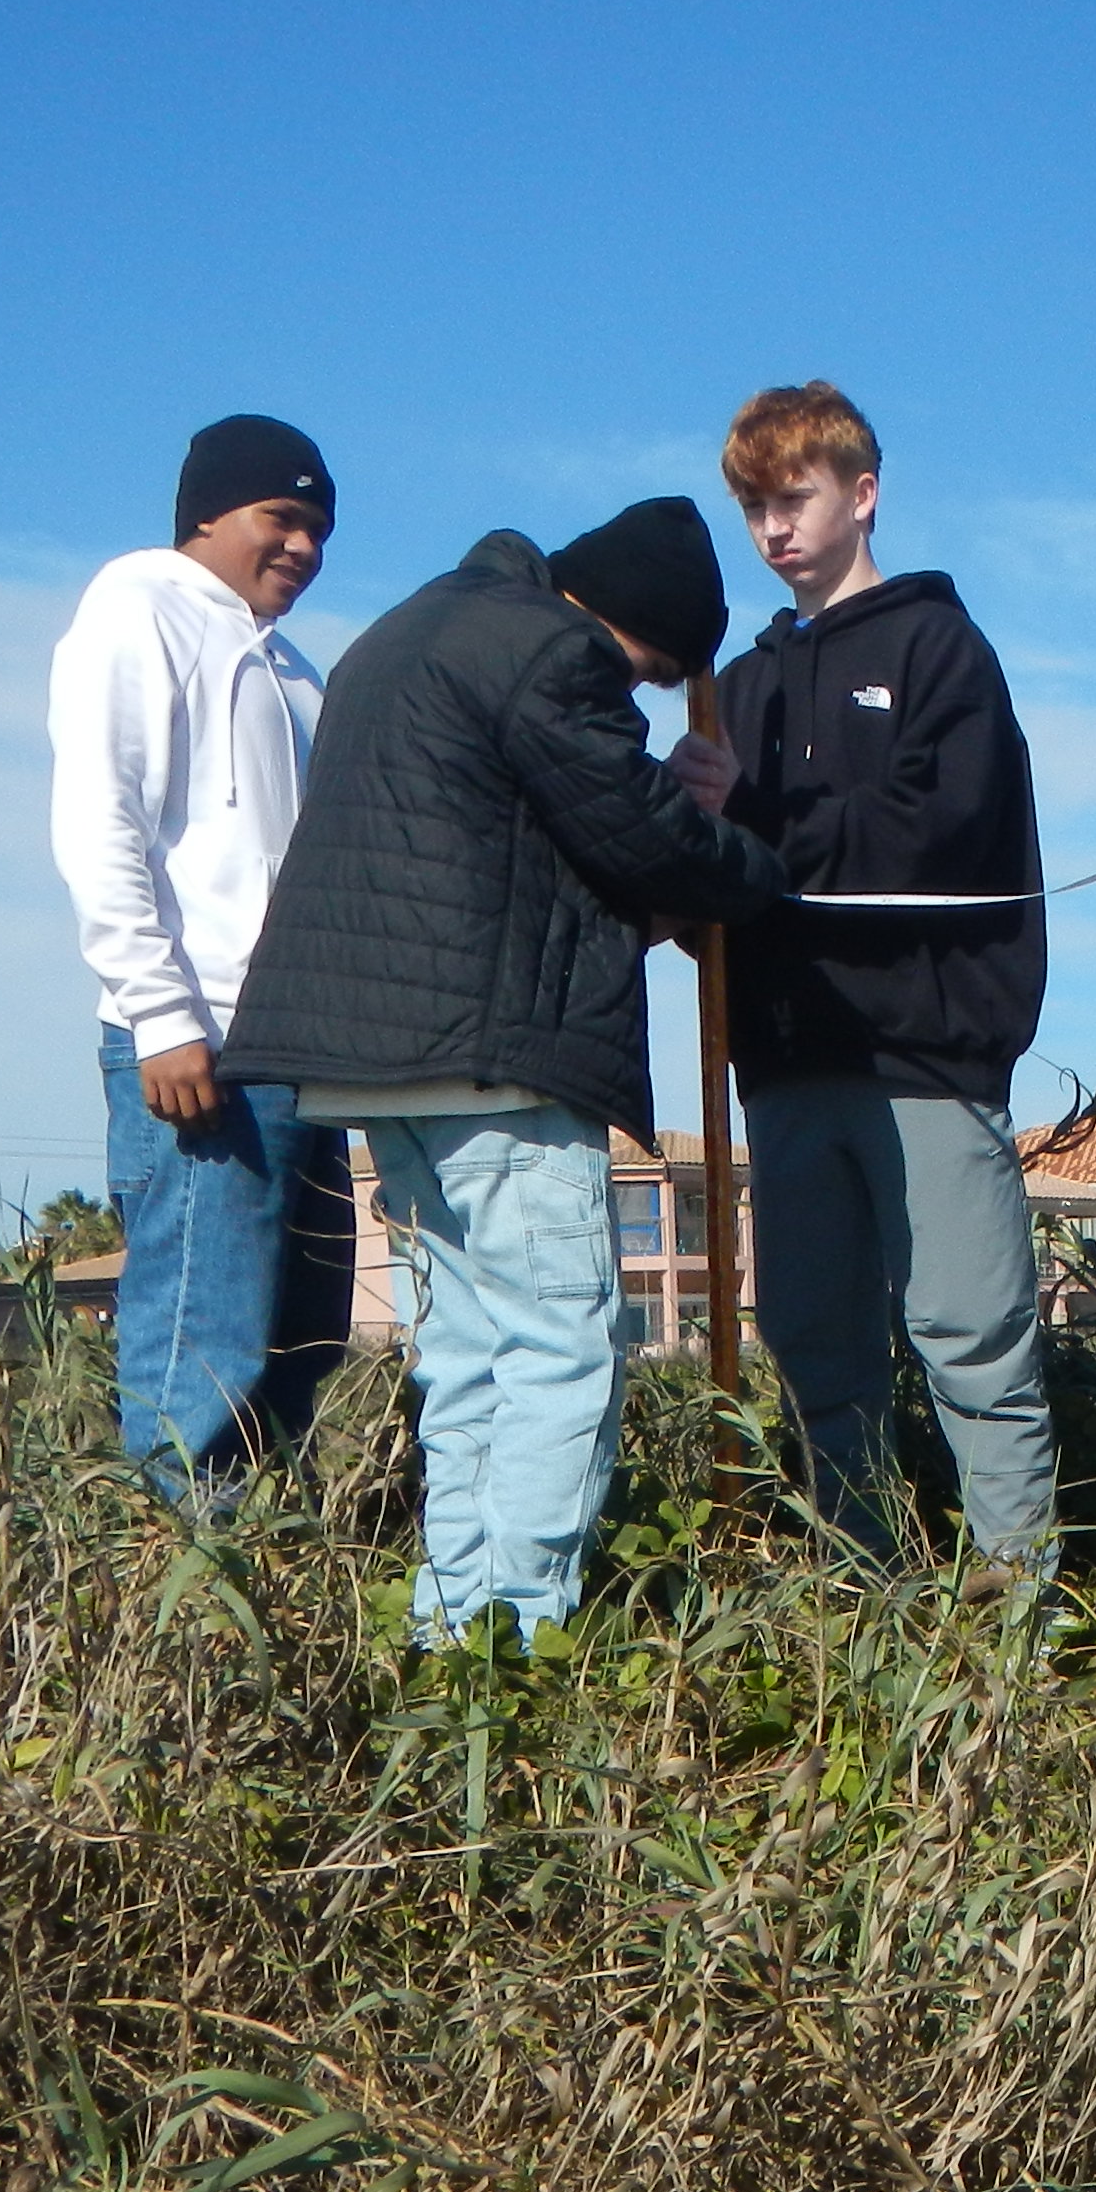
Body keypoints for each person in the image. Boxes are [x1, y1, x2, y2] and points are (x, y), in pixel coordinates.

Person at [215, 499, 792, 1640]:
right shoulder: (555, 651)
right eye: (650, 673)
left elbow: (522, 833)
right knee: (561, 1349)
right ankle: (519, 1635)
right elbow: (638, 835)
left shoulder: (407, 629)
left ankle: (452, 1631)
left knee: (467, 1356)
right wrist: (758, 867)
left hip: (374, 1062)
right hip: (497, 1058)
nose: (637, 696)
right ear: (633, 627)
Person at [708, 382, 1060, 1585]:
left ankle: (1018, 1620)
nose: (774, 529)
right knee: (816, 1347)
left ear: (862, 496)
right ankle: (861, 1611)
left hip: (927, 1055)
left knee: (974, 1342)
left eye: (794, 498)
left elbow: (936, 830)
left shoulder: (941, 650)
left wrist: (753, 819)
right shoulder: (737, 686)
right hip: (786, 1063)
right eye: (754, 507)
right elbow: (713, 866)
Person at [49, 413, 347, 1493]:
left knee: (301, 1352)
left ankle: (270, 1573)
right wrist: (162, 1016)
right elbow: (102, 820)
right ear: (210, 514)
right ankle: (172, 1586)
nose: (303, 548)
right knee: (199, 1356)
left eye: (320, 532)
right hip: (203, 1045)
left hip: (297, 1055)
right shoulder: (139, 607)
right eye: (282, 518)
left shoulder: (296, 672)